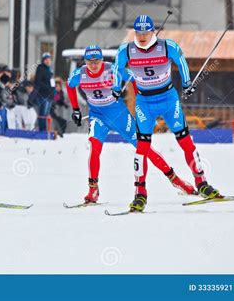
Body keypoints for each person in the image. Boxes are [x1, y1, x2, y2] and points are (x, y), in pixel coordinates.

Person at [112, 15, 220, 212]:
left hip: (169, 100)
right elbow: (117, 69)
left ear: (152, 31)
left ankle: (202, 183)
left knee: (185, 142)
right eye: (138, 32)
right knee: (142, 148)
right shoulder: (126, 50)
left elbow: (182, 62)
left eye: (146, 32)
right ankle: (140, 194)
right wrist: (115, 87)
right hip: (144, 103)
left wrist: (187, 83)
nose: (142, 36)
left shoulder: (167, 45)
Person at [67, 45, 195, 204]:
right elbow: (70, 86)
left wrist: (141, 100)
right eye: (89, 62)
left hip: (120, 116)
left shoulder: (113, 70)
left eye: (97, 61)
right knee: (94, 147)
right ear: (85, 61)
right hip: (98, 116)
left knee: (144, 149)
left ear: (102, 60)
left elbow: (134, 78)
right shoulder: (79, 74)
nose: (93, 65)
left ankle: (175, 179)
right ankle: (93, 189)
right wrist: (76, 110)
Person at [34, 52, 55, 131]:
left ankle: (45, 129)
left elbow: (52, 82)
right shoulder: (40, 68)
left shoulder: (50, 70)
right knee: (42, 113)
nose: (48, 61)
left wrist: (53, 91)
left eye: (49, 59)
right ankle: (42, 129)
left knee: (46, 113)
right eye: (46, 59)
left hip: (49, 95)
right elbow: (37, 81)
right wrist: (47, 87)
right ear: (43, 60)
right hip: (43, 94)